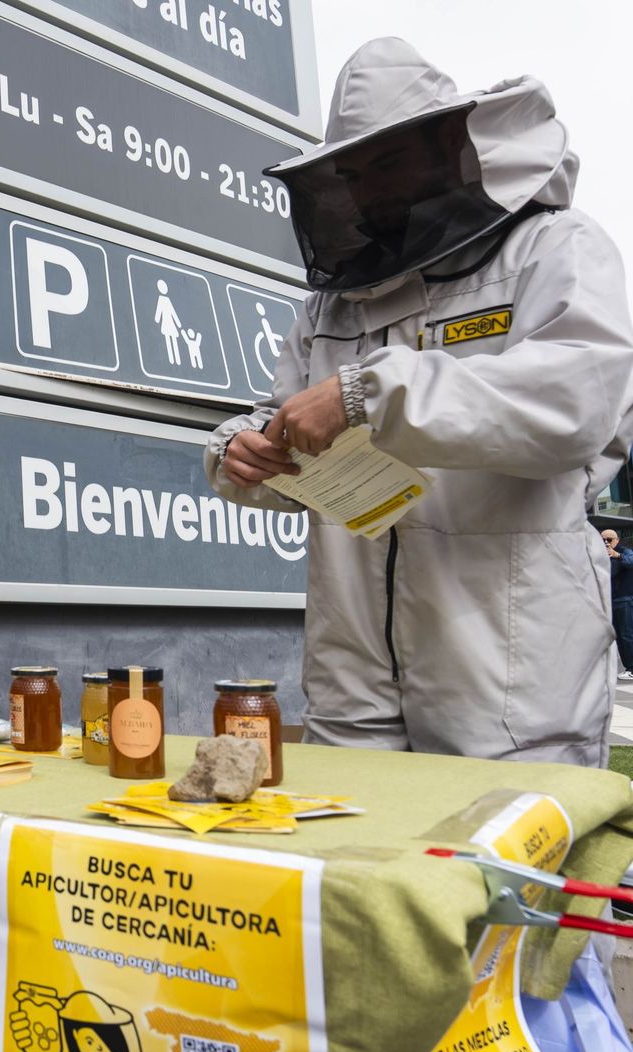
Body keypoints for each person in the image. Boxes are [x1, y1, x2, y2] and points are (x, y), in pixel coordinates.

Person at [204, 38, 633, 767]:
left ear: (447, 148)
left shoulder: (554, 247)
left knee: (502, 880)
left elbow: (571, 405)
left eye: (390, 161)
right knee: (361, 876)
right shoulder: (331, 307)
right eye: (354, 172)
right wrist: (244, 452)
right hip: (352, 688)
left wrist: (365, 393)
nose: (370, 188)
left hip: (510, 692)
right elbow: (292, 422)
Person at [606, 529, 633, 682]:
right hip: (609, 602)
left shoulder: (624, 552)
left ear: (616, 540)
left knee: (626, 635)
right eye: (602, 539)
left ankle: (631, 668)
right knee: (616, 637)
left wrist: (618, 555)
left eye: (609, 539)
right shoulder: (600, 555)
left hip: (624, 600)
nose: (606, 543)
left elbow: (630, 561)